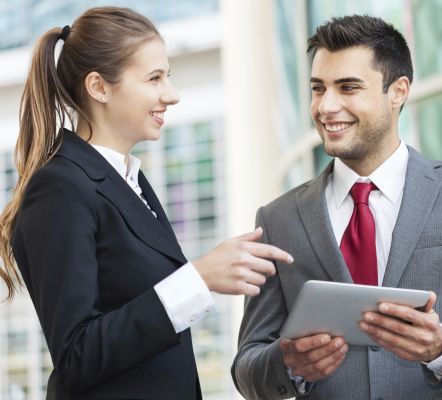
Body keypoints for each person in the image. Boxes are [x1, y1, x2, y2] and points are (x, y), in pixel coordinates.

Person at [232, 15, 442, 399]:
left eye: (348, 87)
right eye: (318, 88)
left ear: (397, 91)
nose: (326, 106)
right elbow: (246, 368)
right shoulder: (278, 219)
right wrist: (287, 363)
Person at [0, 7, 293, 400]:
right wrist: (198, 279)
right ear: (99, 87)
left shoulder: (129, 180)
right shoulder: (60, 187)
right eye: (154, 78)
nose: (170, 95)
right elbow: (76, 355)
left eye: (167, 77)